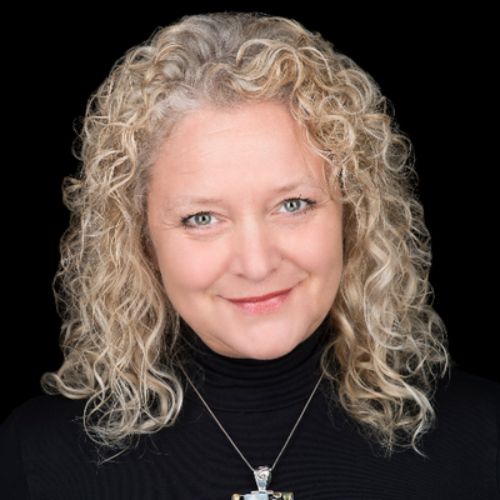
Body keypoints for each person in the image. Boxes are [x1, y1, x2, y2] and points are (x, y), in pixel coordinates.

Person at [1, 11, 498, 500]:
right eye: (202, 218)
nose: (257, 265)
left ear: (353, 214)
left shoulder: (483, 435)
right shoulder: (35, 457)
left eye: (293, 205)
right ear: (140, 241)